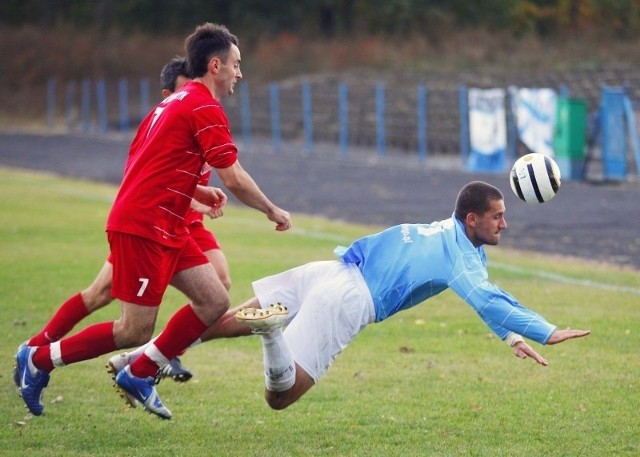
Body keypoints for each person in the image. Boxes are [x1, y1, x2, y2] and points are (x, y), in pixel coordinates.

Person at [15, 22, 291, 420]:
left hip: (168, 224)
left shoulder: (171, 104)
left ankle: (141, 372)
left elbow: (142, 164)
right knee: (133, 330)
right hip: (145, 226)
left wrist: (195, 193)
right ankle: (40, 359)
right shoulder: (203, 106)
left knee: (214, 300)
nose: (239, 73)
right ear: (216, 66)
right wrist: (271, 210)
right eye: (236, 64)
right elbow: (233, 176)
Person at [224, 181, 590, 410]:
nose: (504, 224)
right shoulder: (460, 257)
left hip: (330, 270)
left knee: (219, 318)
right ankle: (272, 334)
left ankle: (164, 351)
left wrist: (508, 335)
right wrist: (546, 331)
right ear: (473, 219)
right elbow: (487, 299)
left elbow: (482, 292)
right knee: (280, 397)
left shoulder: (451, 229)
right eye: (498, 216)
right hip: (349, 299)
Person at [12, 57, 227, 390]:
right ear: (167, 94)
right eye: (184, 90)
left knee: (218, 288)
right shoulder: (168, 118)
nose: (192, 95)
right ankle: (36, 350)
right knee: (103, 297)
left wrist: (196, 197)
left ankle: (157, 356)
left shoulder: (198, 115)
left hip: (180, 226)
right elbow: (147, 176)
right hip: (149, 225)